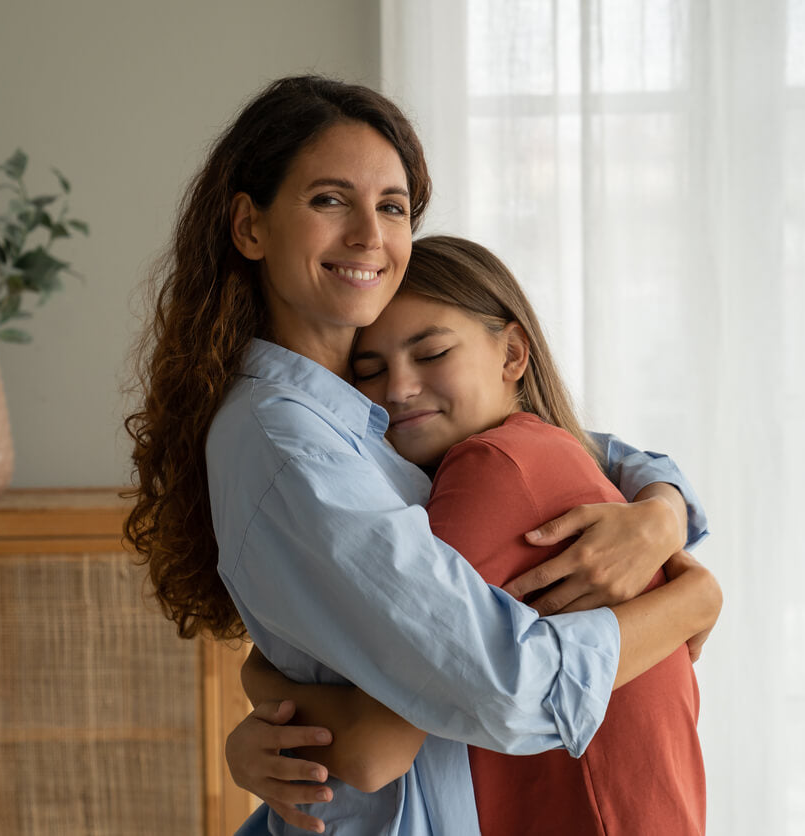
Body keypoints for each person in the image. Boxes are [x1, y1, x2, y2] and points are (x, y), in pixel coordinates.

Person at [124, 75, 720, 835]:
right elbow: (509, 689)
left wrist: (663, 508)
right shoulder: (290, 444)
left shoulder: (360, 405)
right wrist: (692, 602)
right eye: (328, 200)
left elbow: (550, 438)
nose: (369, 236)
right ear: (250, 227)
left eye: (392, 206)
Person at [238, 235, 707, 835]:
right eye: (370, 370)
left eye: (431, 353)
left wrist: (257, 682)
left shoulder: (491, 469)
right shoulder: (542, 448)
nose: (399, 388)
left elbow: (372, 748)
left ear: (512, 353)